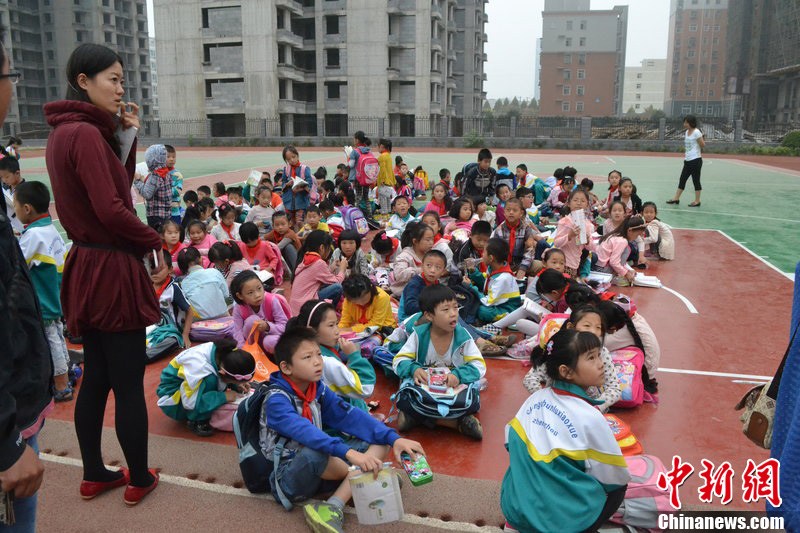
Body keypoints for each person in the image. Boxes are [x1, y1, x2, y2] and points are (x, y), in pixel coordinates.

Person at [44, 43, 160, 504]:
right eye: (112, 79)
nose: (120, 89)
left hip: (86, 264)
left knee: (96, 375)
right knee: (128, 381)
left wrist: (125, 138)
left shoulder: (66, 132)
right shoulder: (86, 135)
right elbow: (114, 208)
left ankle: (94, 472)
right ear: (83, 81)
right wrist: (154, 241)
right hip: (111, 267)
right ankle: (139, 478)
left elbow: (114, 184)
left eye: (121, 80)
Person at [262, 327, 424, 532]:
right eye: (307, 357)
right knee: (317, 452)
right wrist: (351, 454)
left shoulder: (316, 389)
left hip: (320, 470)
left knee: (379, 440)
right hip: (287, 478)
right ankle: (365, 477)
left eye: (318, 354)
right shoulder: (276, 400)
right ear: (286, 367)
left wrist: (394, 439)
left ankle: (334, 503)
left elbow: (351, 417)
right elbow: (307, 433)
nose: (317, 361)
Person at [501, 328, 630, 533]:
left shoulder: (535, 399)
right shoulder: (590, 416)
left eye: (599, 355)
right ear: (566, 371)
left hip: (516, 511)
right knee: (619, 487)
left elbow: (509, 440)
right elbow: (615, 477)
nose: (601, 363)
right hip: (558, 523)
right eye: (591, 358)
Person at [392, 285, 486, 440]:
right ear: (429, 315)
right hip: (425, 389)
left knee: (473, 403)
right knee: (405, 400)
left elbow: (478, 365)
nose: (453, 313)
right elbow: (399, 360)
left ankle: (417, 419)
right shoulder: (419, 335)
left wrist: (458, 375)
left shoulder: (463, 337)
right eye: (446, 310)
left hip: (453, 389)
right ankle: (457, 423)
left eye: (455, 307)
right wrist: (414, 369)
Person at [13, 181, 72, 401]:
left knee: (50, 340)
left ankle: (61, 384)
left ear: (27, 208)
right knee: (57, 336)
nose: (15, 211)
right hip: (54, 296)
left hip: (42, 300)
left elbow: (18, 263)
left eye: (15, 206)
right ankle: (66, 372)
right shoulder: (50, 230)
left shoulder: (33, 236)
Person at [523, 306, 621, 412]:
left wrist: (595, 408)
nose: (593, 331)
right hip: (557, 411)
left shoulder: (602, 352)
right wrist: (545, 401)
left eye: (598, 327)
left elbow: (614, 387)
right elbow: (530, 379)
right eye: (587, 325)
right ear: (570, 327)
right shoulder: (560, 350)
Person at [156, 339, 254, 437]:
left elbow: (224, 374)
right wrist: (223, 396)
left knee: (211, 380)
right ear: (222, 372)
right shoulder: (199, 368)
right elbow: (190, 403)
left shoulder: (223, 352)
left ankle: (209, 401)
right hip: (173, 398)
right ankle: (197, 420)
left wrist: (236, 384)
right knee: (210, 380)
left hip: (191, 386)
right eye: (234, 381)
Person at [230, 270, 287, 354]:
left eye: (259, 288)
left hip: (271, 339)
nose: (257, 295)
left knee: (270, 341)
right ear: (240, 296)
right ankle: (253, 354)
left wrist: (268, 326)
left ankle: (276, 357)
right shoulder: (239, 308)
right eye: (250, 292)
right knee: (252, 321)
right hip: (252, 344)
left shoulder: (272, 301)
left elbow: (284, 326)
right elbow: (237, 331)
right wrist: (243, 349)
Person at [290, 230, 346, 314]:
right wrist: (342, 269)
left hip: (296, 307)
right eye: (329, 248)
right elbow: (337, 281)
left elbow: (317, 276)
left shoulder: (306, 257)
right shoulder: (318, 263)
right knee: (337, 287)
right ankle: (329, 313)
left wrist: (331, 268)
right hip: (306, 307)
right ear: (322, 248)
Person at [468, 238, 522, 323]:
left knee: (482, 311)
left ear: (491, 258)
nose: (482, 255)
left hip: (507, 308)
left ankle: (508, 318)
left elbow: (488, 301)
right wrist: (474, 272)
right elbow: (485, 283)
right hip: (496, 301)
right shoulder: (492, 268)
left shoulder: (503, 278)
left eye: (484, 252)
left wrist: (471, 287)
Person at [491, 198, 541, 279]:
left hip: (520, 263)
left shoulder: (526, 228)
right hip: (503, 265)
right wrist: (503, 268)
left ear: (521, 213)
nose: (511, 212)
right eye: (508, 210)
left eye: (515, 210)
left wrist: (523, 268)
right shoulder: (499, 230)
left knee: (540, 266)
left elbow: (530, 250)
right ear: (504, 212)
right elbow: (495, 253)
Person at [178, 247, 230, 320]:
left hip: (200, 323)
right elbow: (226, 295)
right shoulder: (214, 272)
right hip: (223, 318)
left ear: (181, 266)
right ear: (200, 259)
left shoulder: (184, 283)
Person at [553, 188, 595, 278]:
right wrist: (569, 235)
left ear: (587, 205)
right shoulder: (564, 222)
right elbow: (556, 243)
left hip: (574, 265)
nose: (579, 203)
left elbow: (591, 248)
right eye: (575, 200)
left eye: (583, 201)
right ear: (569, 203)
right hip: (561, 264)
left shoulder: (588, 225)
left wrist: (587, 241)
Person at [593, 216, 648, 285]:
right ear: (629, 230)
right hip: (602, 270)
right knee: (627, 250)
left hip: (598, 267)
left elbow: (618, 260)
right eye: (637, 235)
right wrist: (626, 273)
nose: (637, 237)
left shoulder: (616, 235)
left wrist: (629, 270)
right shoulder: (622, 241)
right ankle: (613, 276)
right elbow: (614, 262)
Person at [668, 114, 705, 207]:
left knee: (696, 180)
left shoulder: (696, 132)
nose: (684, 124)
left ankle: (697, 201)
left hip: (696, 160)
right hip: (687, 160)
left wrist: (696, 148)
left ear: (691, 123)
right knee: (682, 179)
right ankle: (676, 198)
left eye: (686, 122)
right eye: (684, 122)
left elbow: (702, 144)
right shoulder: (687, 132)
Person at [133, 144, 173, 230]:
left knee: (156, 235)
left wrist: (137, 181)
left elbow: (147, 194)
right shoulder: (166, 172)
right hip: (166, 214)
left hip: (156, 215)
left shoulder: (155, 176)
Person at [390, 221, 434, 298]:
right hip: (405, 295)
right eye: (428, 240)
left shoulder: (430, 255)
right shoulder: (405, 256)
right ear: (415, 241)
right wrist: (421, 270)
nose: (431, 243)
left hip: (425, 293)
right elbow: (399, 275)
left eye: (432, 239)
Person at [280, 145, 314, 229]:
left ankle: (302, 236)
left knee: (300, 221)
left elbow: (309, 183)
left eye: (293, 157)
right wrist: (287, 184)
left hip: (301, 200)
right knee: (290, 222)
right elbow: (283, 181)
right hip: (289, 201)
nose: (292, 160)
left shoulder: (304, 168)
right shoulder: (286, 169)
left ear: (297, 155)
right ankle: (293, 236)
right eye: (288, 159)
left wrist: (301, 187)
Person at [0, 155, 23, 234]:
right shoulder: (5, 189)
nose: (4, 180)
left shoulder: (26, 190)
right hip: (13, 231)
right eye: (1, 177)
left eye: (7, 177)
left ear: (17, 173)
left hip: (27, 230)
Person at [376, 137, 395, 218]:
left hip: (383, 182)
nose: (377, 148)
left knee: (383, 201)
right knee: (387, 201)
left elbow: (382, 170)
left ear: (382, 146)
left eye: (378, 146)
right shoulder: (388, 156)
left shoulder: (382, 157)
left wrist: (382, 180)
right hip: (389, 182)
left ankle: (385, 218)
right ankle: (388, 216)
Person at [164, 145, 184, 225]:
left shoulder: (177, 175)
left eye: (173, 157)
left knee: (175, 230)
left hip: (174, 212)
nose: (171, 159)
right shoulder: (157, 173)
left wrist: (161, 189)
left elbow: (177, 191)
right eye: (168, 157)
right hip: (160, 212)